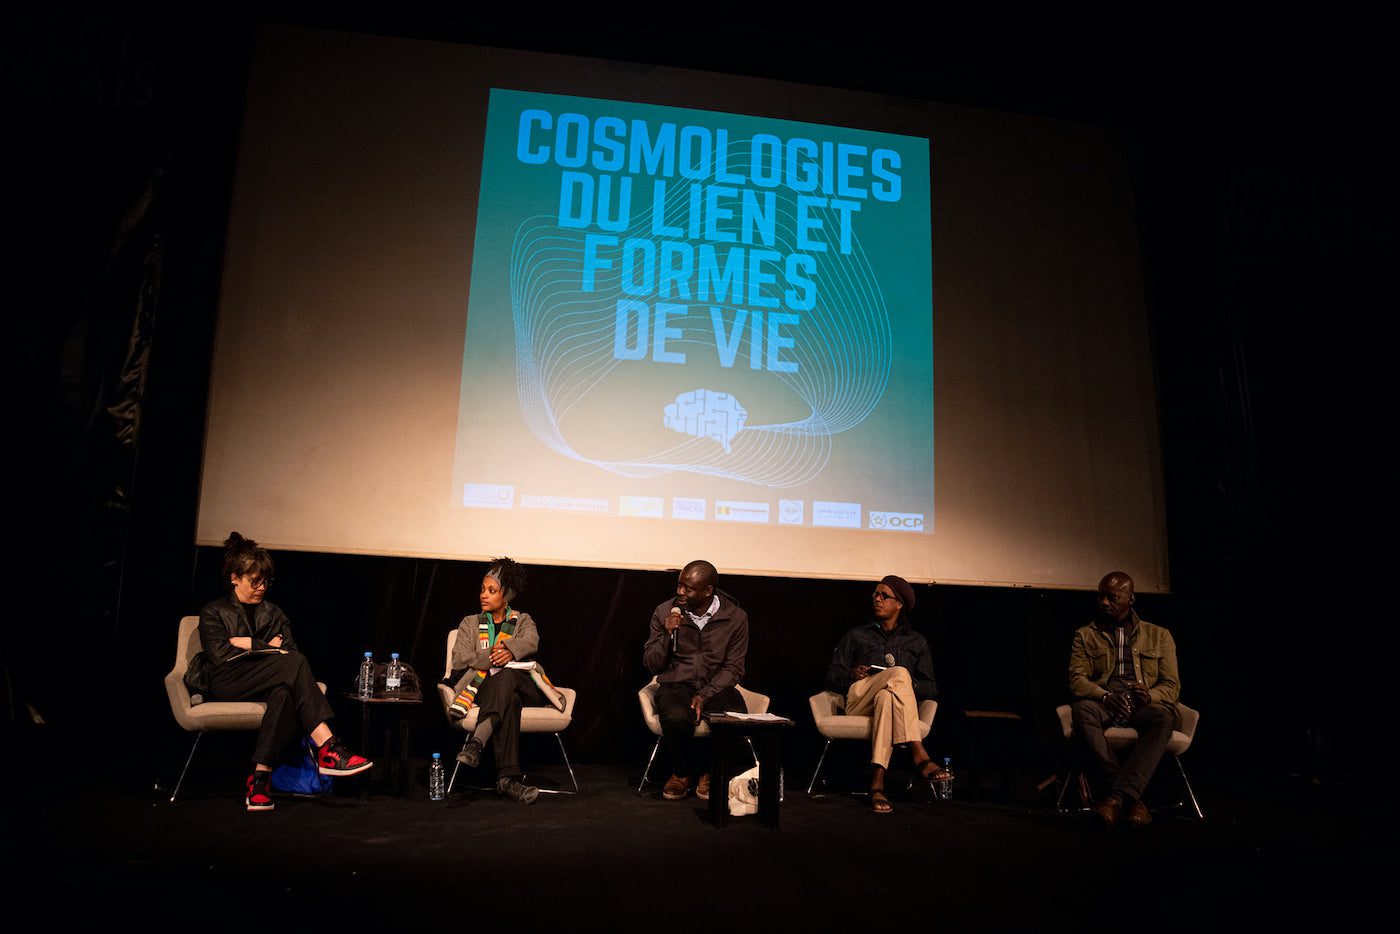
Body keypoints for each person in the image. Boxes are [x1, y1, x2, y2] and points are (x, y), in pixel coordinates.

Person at [186, 532, 372, 812]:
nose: (261, 587)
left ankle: (260, 779)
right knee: (293, 666)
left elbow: (290, 652)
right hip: (226, 681)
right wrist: (267, 648)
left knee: (284, 690)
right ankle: (328, 748)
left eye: (266, 581)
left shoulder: (273, 613)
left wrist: (251, 644)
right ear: (235, 578)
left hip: (266, 681)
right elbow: (222, 657)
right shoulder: (214, 611)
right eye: (255, 581)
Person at [445, 557, 565, 805]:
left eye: (491, 590)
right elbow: (459, 659)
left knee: (509, 675)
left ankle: (477, 742)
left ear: (506, 595)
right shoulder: (469, 623)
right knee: (509, 700)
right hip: (485, 689)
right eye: (482, 589)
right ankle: (508, 782)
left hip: (525, 685)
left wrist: (510, 650)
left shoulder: (523, 621)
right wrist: (493, 656)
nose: (483, 595)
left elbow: (532, 642)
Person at [824, 574, 947, 813]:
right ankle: (918, 752)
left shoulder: (916, 642)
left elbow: (930, 687)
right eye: (875, 594)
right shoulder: (856, 635)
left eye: (884, 596)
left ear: (899, 604)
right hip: (859, 699)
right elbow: (830, 676)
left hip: (889, 703)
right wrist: (852, 674)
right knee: (899, 672)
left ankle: (877, 782)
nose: (877, 599)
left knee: (887, 696)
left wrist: (903, 688)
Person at [1068, 571, 1180, 830]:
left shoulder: (1159, 636)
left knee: (1163, 717)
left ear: (1131, 599)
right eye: (1101, 596)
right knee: (1082, 709)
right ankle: (1132, 799)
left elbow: (1172, 686)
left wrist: (1149, 695)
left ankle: (1114, 799)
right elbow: (1077, 681)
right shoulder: (1085, 635)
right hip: (1105, 703)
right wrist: (1105, 695)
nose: (1104, 602)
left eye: (1112, 597)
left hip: (1143, 706)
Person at [643, 559, 749, 801]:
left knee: (733, 717)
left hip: (717, 686)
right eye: (679, 585)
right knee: (677, 715)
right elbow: (652, 663)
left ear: (708, 591)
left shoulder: (735, 617)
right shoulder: (664, 612)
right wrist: (667, 636)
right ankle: (681, 772)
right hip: (677, 684)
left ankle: (712, 773)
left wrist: (705, 694)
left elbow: (734, 668)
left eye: (688, 588)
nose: (680, 592)